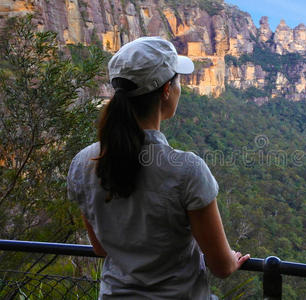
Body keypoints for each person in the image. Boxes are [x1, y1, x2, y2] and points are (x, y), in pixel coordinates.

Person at [67, 36, 250, 299]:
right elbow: (221, 267)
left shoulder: (83, 163)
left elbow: (100, 248)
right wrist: (232, 259)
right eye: (177, 81)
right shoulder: (187, 170)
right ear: (166, 90)